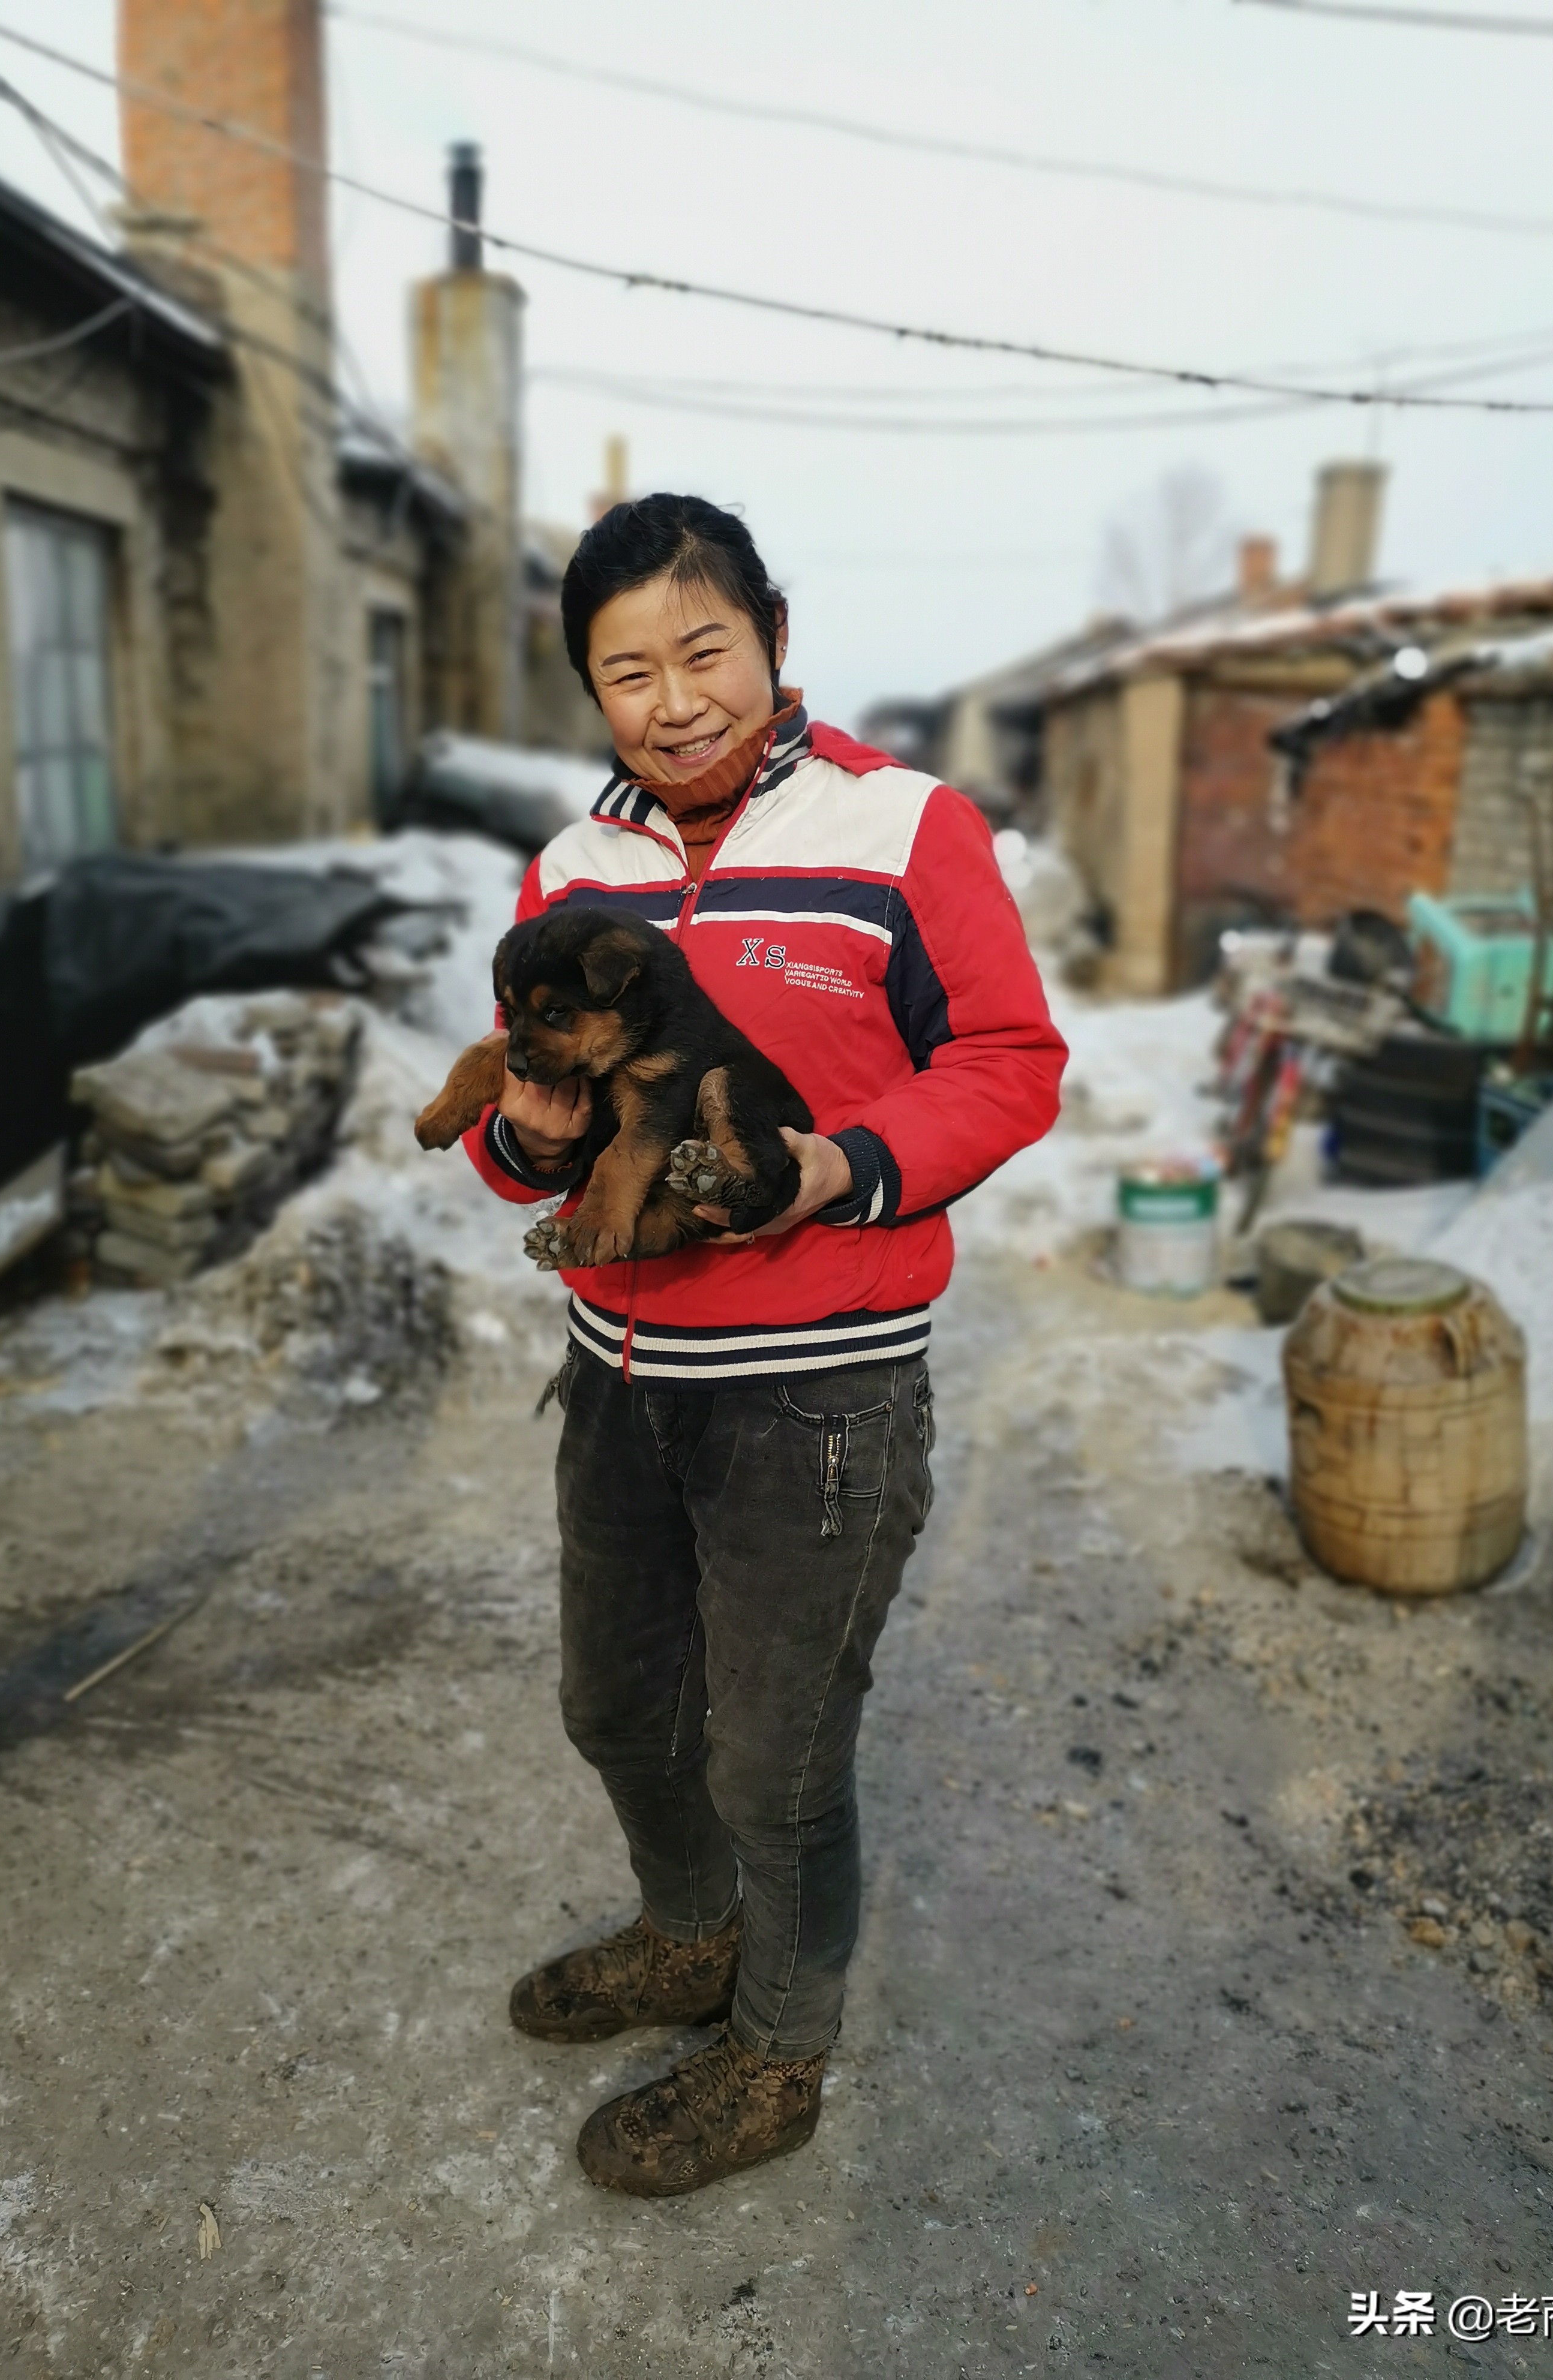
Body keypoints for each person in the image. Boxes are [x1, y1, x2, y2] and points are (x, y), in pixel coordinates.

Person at [463, 493, 1067, 2197]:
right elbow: (535, 1128)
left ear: (775, 637)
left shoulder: (904, 828)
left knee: (775, 1760)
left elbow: (1009, 1059)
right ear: (591, 688)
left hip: (821, 1392)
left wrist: (840, 1167)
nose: (673, 700)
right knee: (619, 1708)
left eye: (703, 650)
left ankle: (781, 2050)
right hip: (622, 1377)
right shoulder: (573, 869)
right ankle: (686, 1934)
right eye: (626, 668)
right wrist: (519, 1131)